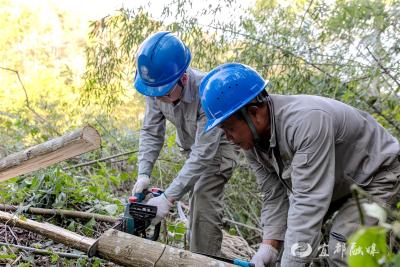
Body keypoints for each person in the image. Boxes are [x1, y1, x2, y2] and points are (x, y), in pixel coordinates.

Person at [199, 62, 400, 266]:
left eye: (229, 128)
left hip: (378, 176)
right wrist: (269, 246)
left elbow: (308, 202)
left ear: (253, 113)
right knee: (289, 248)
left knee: (344, 249)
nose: (228, 137)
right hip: (339, 183)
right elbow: (273, 195)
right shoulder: (252, 142)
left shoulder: (306, 122)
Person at [132, 32, 238, 257]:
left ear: (184, 78)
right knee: (192, 197)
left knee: (202, 195)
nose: (158, 98)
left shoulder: (207, 92)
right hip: (192, 149)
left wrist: (168, 197)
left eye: (164, 93)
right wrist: (143, 173)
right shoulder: (156, 87)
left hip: (218, 148)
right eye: (155, 93)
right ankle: (197, 247)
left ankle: (204, 259)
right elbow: (151, 132)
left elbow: (203, 153)